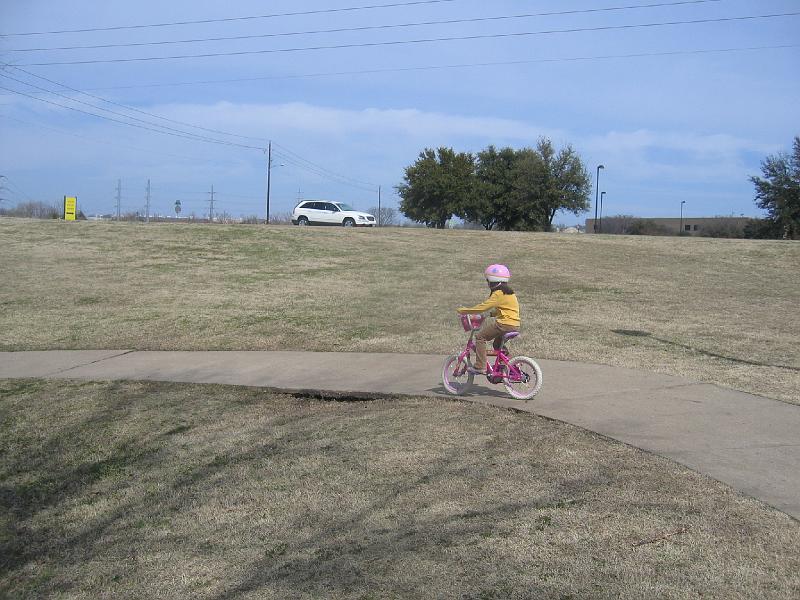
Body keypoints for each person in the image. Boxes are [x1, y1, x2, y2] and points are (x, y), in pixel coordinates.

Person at [456, 264, 520, 375]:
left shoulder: (498, 294)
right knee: (497, 345)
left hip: (503, 324)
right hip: (514, 325)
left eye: (488, 281)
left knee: (480, 337)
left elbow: (483, 306)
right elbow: (505, 309)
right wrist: (490, 314)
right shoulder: (509, 293)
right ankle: (509, 364)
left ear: (492, 281)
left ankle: (480, 366)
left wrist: (466, 310)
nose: (488, 283)